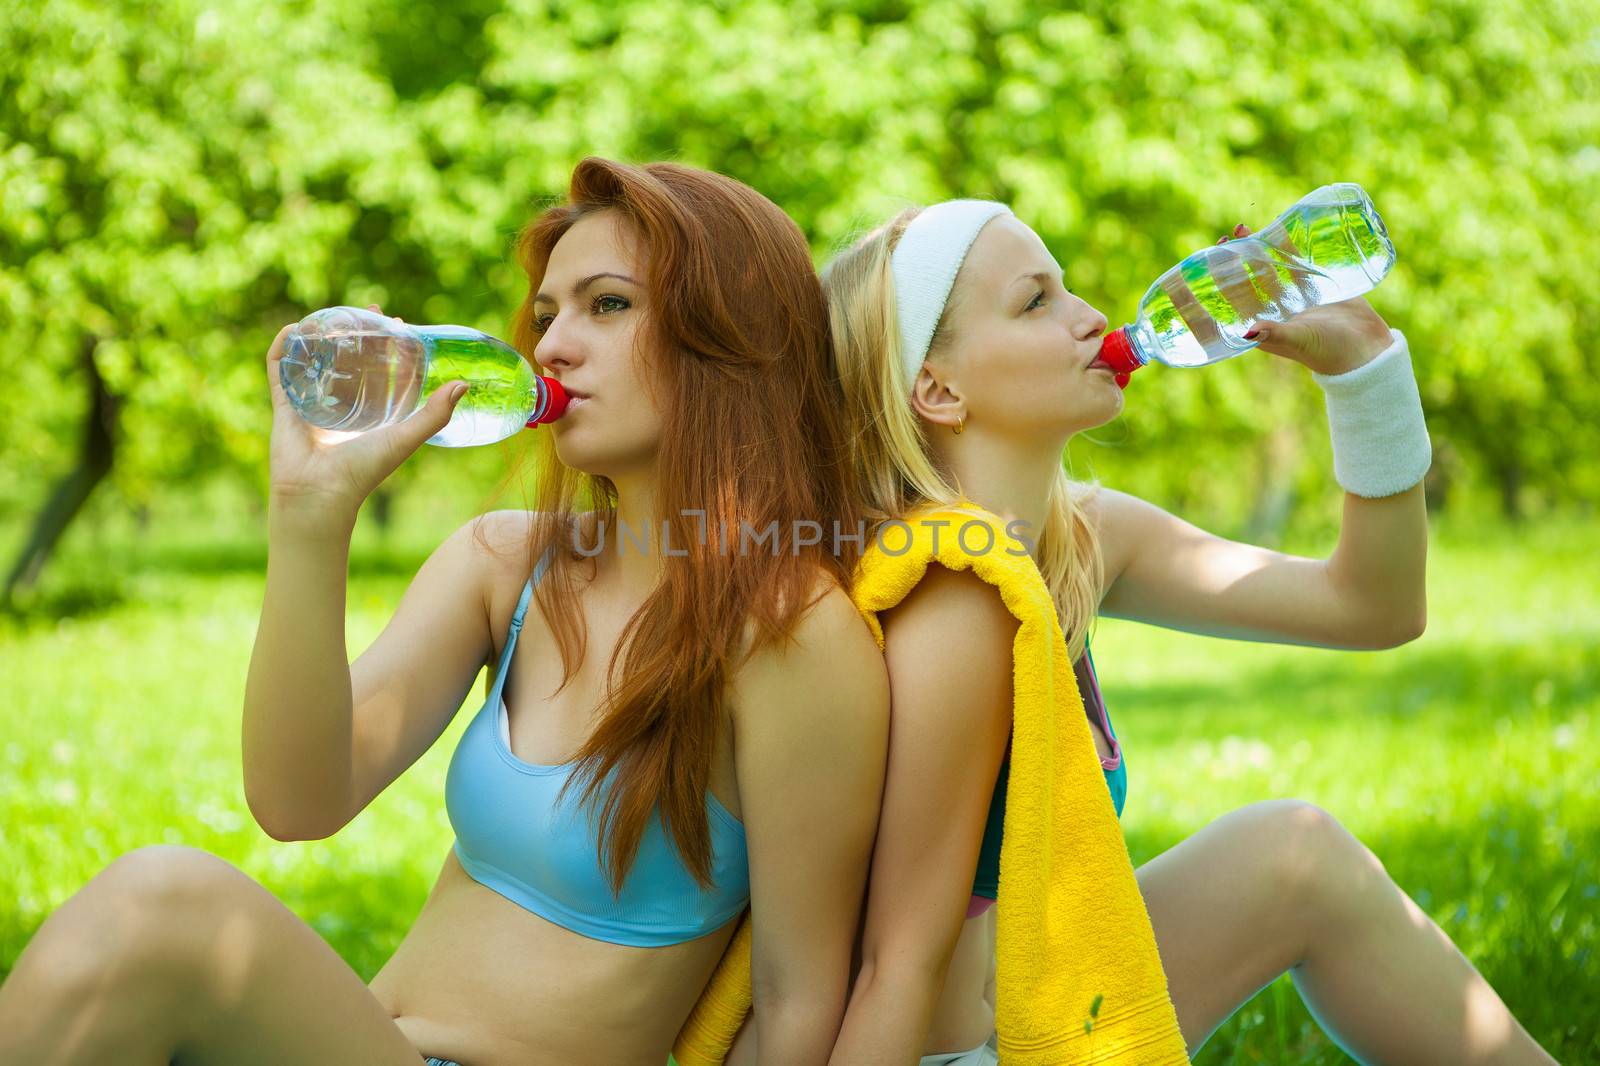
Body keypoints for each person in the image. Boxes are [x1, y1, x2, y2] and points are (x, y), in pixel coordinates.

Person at [0, 158, 889, 1066]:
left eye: (607, 305)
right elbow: (297, 800)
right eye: (546, 316)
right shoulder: (508, 566)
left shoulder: (790, 634)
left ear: (733, 334)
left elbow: (798, 1000)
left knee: (166, 908)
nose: (550, 347)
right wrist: (309, 521)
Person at [800, 201, 1553, 1063]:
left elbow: (1374, 608)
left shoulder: (1080, 538)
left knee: (1292, 854)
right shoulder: (922, 595)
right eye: (1036, 301)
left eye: (1069, 288)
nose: (1091, 316)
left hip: (1043, 1008)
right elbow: (883, 964)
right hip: (928, 1051)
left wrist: (1365, 372)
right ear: (936, 388)